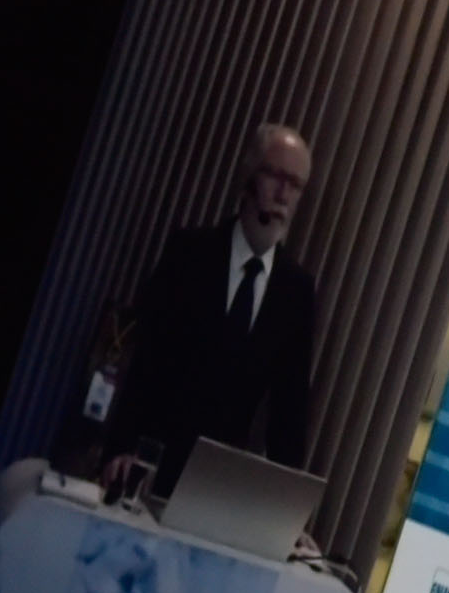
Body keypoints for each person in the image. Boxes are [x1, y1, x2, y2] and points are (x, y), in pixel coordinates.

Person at [103, 123, 319, 499]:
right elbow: (144, 361)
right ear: (249, 177)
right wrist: (119, 448)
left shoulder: (296, 291)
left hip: (217, 486)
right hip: (149, 464)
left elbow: (289, 412)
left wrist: (284, 505)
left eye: (295, 184)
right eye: (275, 176)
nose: (283, 194)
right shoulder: (189, 253)